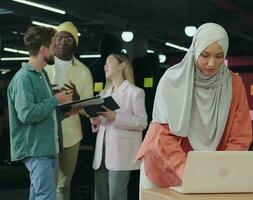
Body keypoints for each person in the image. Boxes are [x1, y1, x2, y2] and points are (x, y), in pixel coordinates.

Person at [135, 23, 253, 192]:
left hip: (207, 173)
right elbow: (162, 134)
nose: (211, 63)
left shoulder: (233, 84)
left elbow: (240, 135)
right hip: (162, 166)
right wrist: (189, 172)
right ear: (195, 49)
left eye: (219, 56)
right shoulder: (172, 80)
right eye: (205, 55)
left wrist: (224, 170)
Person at [7, 26, 74, 200]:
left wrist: (66, 112)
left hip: (45, 149)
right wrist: (55, 100)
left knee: (39, 195)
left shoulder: (41, 75)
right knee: (46, 196)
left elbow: (46, 112)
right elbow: (27, 114)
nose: (56, 50)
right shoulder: (24, 78)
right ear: (43, 49)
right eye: (53, 45)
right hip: (36, 150)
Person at [44, 21, 94, 200]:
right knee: (47, 182)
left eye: (69, 39)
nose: (63, 42)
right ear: (54, 40)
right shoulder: (44, 66)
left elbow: (88, 111)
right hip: (46, 132)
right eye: (59, 37)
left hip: (72, 135)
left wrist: (77, 99)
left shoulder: (83, 72)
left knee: (64, 184)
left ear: (75, 44)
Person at [90, 52, 148, 200]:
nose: (105, 65)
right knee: (100, 196)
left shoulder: (135, 92)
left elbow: (142, 122)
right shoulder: (103, 94)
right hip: (101, 154)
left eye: (109, 62)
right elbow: (104, 123)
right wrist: (96, 121)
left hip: (120, 154)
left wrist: (117, 117)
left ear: (122, 66)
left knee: (116, 196)